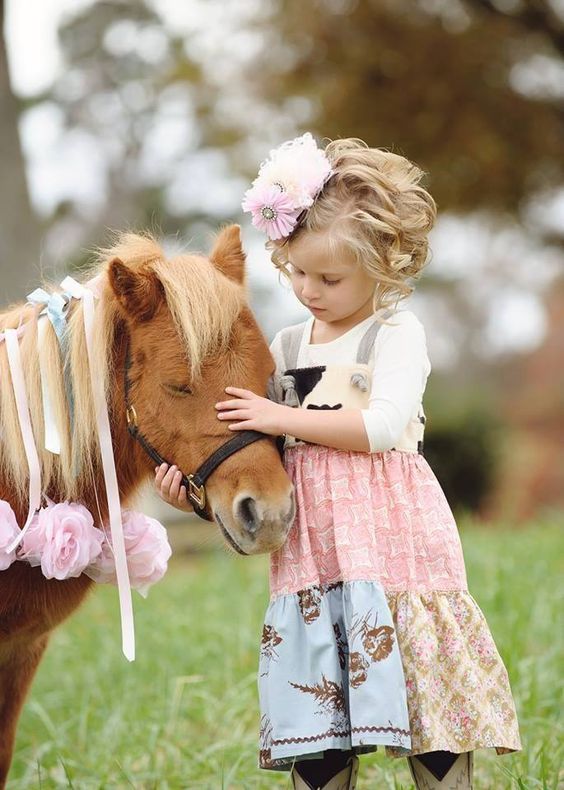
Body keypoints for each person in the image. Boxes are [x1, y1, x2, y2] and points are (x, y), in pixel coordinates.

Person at [155, 134, 522, 789]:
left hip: (394, 550)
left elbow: (382, 426)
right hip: (314, 557)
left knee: (422, 708)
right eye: (296, 272)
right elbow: (256, 447)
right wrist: (191, 490)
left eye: (329, 278)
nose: (309, 290)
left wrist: (281, 417)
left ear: (383, 264)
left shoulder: (395, 332)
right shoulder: (288, 341)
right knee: (319, 723)